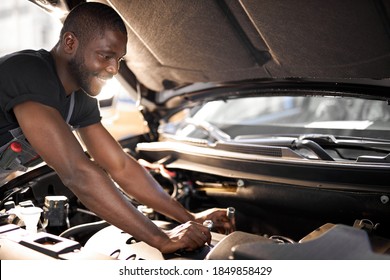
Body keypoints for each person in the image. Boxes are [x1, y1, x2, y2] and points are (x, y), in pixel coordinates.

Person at [0, 2, 233, 254]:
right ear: (70, 43)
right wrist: (161, 239)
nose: (114, 69)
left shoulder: (80, 99)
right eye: (106, 55)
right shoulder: (27, 71)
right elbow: (77, 172)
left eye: (119, 59)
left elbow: (120, 165)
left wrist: (190, 218)